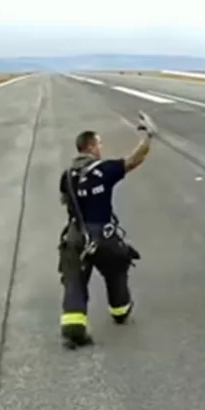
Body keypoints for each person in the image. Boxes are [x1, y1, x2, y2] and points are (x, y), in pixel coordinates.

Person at [57, 113, 156, 348]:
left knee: (74, 281)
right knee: (117, 268)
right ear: (91, 147)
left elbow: (65, 201)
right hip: (103, 236)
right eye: (99, 143)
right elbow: (133, 160)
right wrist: (149, 137)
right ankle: (120, 311)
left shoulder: (67, 176)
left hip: (75, 236)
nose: (101, 147)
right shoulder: (105, 169)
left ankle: (73, 326)